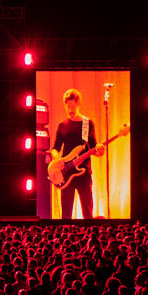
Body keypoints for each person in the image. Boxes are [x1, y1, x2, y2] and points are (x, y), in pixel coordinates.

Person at [49, 88, 105, 219]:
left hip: (83, 172)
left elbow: (94, 148)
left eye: (73, 106)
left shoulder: (87, 123)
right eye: (68, 107)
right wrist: (57, 158)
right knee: (66, 214)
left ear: (78, 104)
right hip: (66, 173)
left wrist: (100, 151)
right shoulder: (62, 125)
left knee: (87, 213)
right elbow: (55, 148)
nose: (70, 110)